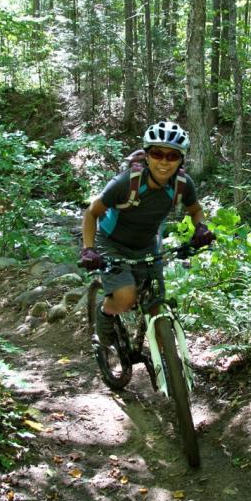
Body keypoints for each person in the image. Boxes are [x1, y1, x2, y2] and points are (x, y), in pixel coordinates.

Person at [80, 120, 214, 349]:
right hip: (111, 242)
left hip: (147, 245)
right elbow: (91, 214)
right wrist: (89, 250)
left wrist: (201, 228)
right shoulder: (125, 183)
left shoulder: (182, 184)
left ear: (181, 159)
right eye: (157, 154)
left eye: (172, 156)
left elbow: (196, 210)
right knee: (125, 297)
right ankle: (105, 314)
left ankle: (170, 374)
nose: (164, 161)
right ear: (147, 155)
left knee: (156, 304)